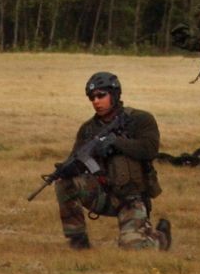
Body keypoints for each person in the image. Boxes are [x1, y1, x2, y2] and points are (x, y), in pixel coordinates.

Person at [54, 71, 171, 251]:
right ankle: (78, 242)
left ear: (115, 95)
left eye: (101, 95)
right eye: (92, 98)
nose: (96, 102)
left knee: (133, 248)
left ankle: (161, 238)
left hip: (132, 197)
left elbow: (149, 149)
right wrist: (67, 169)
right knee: (65, 183)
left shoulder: (139, 120)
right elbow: (77, 158)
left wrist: (116, 143)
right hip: (102, 193)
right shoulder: (88, 130)